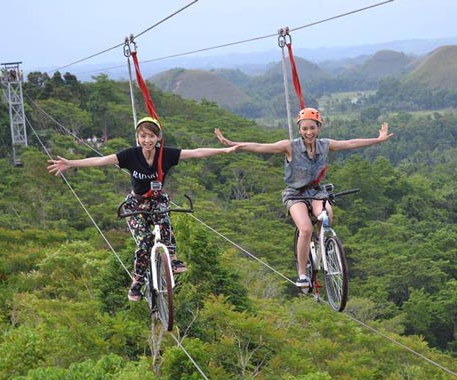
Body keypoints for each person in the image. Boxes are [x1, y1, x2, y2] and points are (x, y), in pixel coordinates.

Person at [48, 117, 240, 301]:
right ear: (138, 138)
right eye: (143, 136)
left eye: (151, 136)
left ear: (158, 138)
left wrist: (223, 151)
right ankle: (137, 282)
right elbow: (100, 161)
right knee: (145, 242)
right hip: (136, 204)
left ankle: (172, 258)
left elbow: (196, 152)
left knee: (164, 218)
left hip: (156, 201)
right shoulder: (130, 155)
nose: (147, 140)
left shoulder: (166, 154)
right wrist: (71, 163)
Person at [215, 107, 393, 288]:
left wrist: (377, 140)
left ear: (319, 128)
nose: (309, 132)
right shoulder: (289, 146)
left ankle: (323, 244)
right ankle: (302, 273)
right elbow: (261, 147)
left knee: (326, 215)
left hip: (316, 192)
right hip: (295, 195)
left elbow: (350, 143)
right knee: (305, 229)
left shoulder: (325, 145)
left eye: (312, 128)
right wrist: (233, 144)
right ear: (299, 129)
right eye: (305, 129)